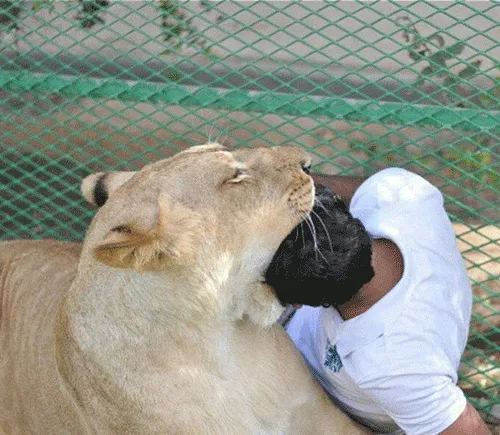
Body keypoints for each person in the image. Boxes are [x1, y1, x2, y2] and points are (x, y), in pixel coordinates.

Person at [276, 168, 492, 435]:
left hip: (331, 411)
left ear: (298, 302)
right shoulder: (397, 194)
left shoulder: (397, 367)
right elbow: (356, 189)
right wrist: (294, 186)